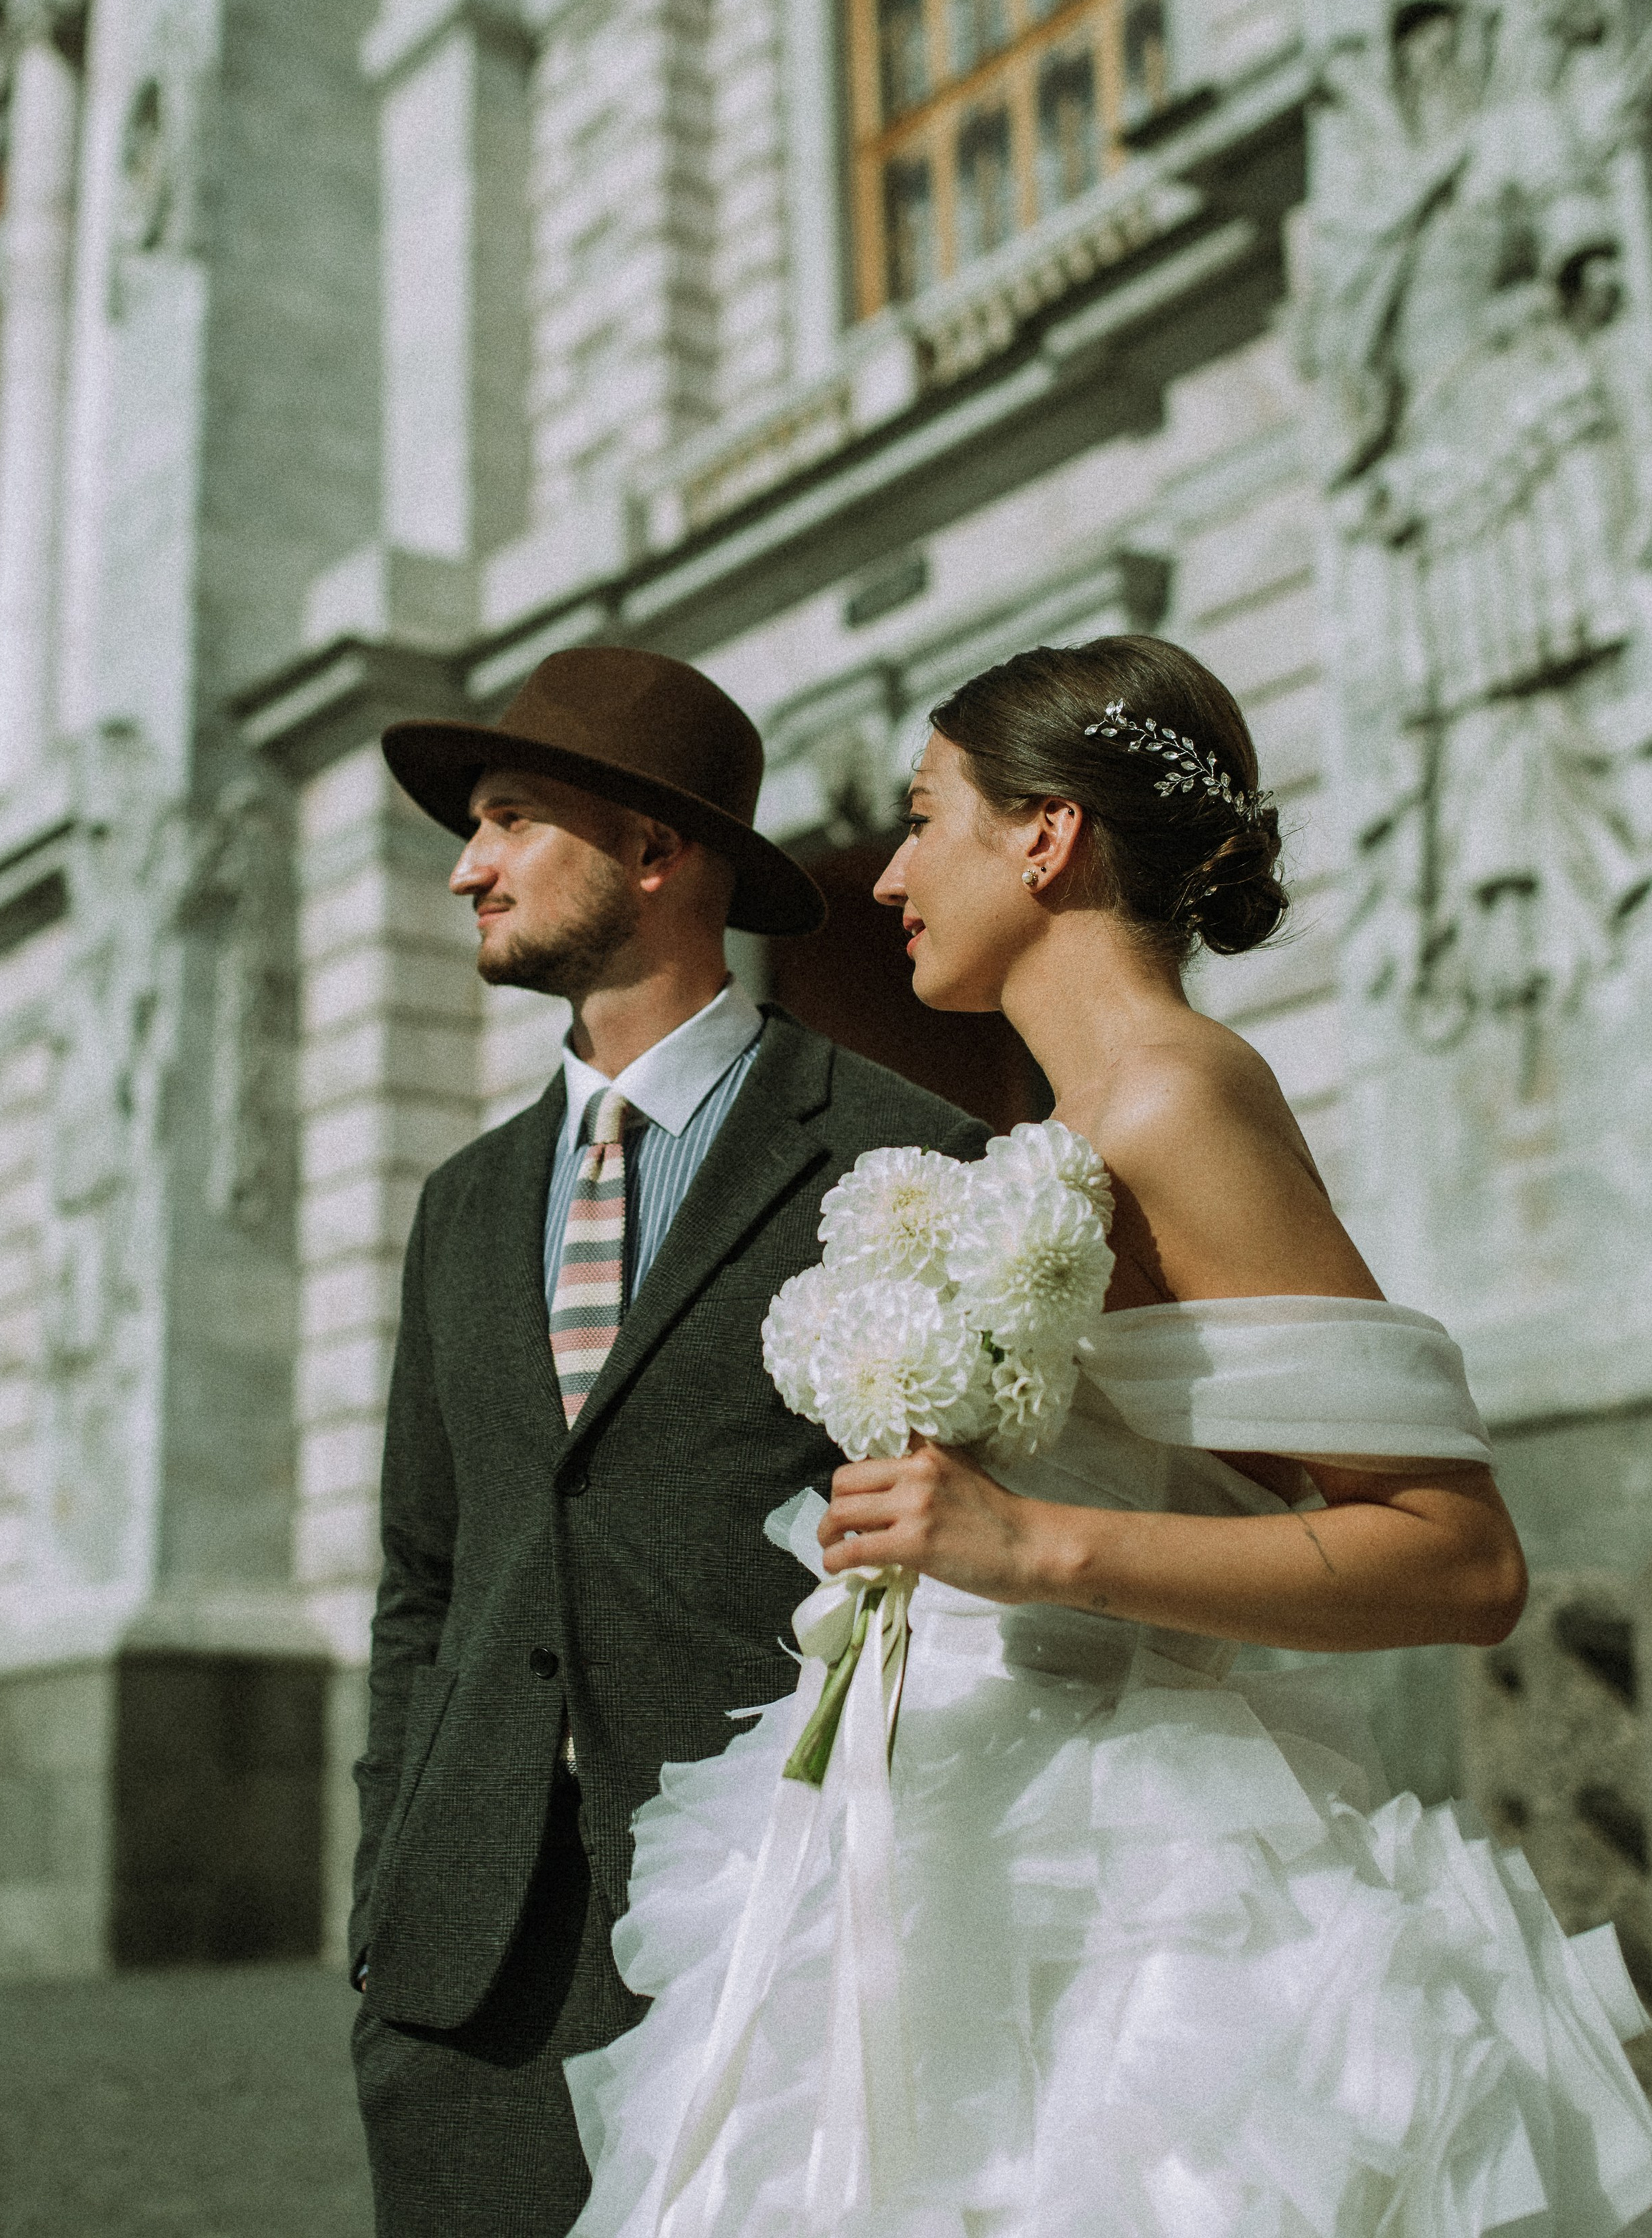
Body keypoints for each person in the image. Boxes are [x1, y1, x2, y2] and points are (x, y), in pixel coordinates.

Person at [566, 634, 1652, 2237]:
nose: (886, 877)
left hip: (1134, 1875)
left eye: (926, 818)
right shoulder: (1058, 1123)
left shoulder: (1176, 1098)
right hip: (946, 1812)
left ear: (1046, 835)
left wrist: (1028, 1546)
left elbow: (1459, 1556)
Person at [348, 644, 992, 2238]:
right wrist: (387, 1881)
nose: (462, 866)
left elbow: (961, 1573)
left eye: (506, 819)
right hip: (473, 1957)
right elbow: (421, 1580)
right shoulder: (459, 1206)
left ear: (652, 850)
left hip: (772, 1937)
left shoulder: (906, 1159)